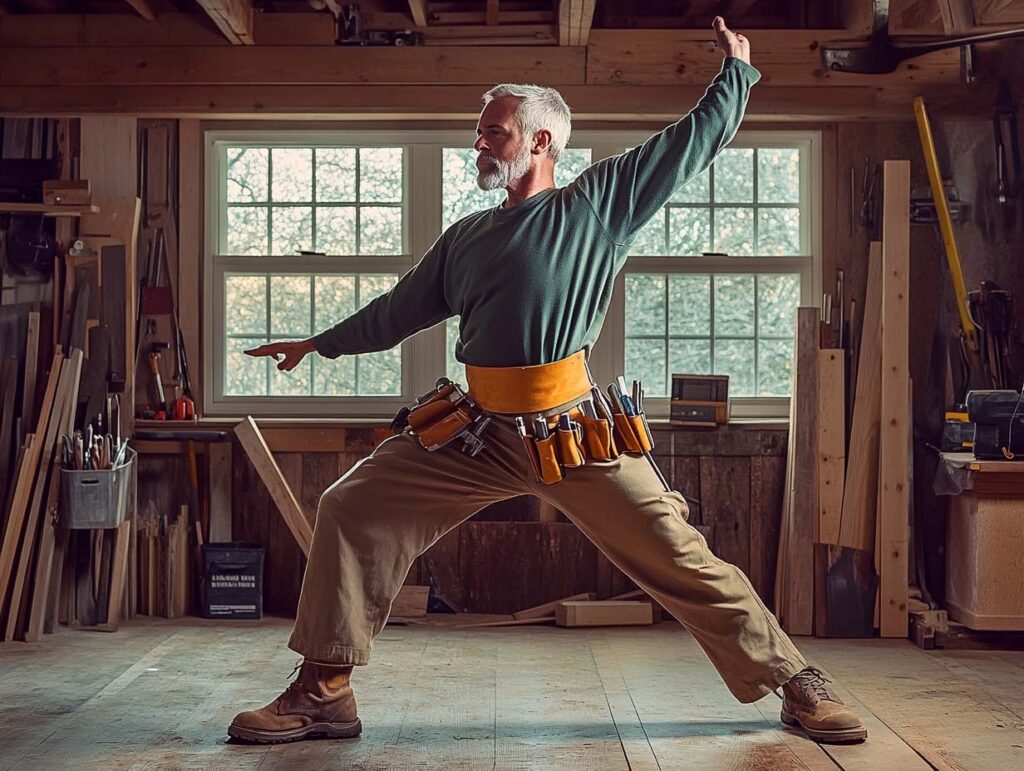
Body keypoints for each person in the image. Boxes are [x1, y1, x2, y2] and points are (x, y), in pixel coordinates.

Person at [230, 16, 867, 747]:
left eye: (493, 131)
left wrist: (737, 72)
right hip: (474, 431)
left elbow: (693, 142)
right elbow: (398, 310)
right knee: (351, 505)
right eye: (479, 131)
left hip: (571, 430)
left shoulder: (597, 205)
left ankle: (793, 679)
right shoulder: (466, 238)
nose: (478, 142)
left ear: (541, 140)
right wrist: (320, 344)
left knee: (679, 553)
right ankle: (324, 688)